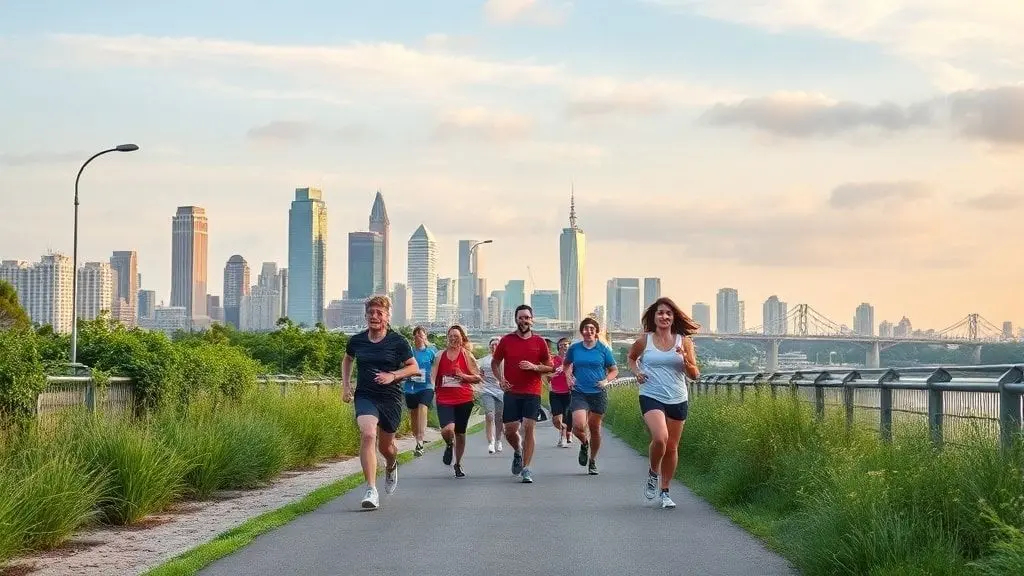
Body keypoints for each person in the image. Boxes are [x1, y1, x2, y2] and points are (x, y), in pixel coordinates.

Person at [342, 296, 422, 510]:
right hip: (366, 395)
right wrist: (346, 385)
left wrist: (393, 375)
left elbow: (414, 368)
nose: (374, 316)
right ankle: (371, 489)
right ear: (366, 315)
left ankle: (391, 464)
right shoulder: (357, 340)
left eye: (379, 313)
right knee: (368, 434)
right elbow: (348, 358)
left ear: (387, 317)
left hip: (391, 398)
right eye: (371, 313)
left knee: (387, 447)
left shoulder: (398, 342)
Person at [626, 296, 700, 509]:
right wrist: (637, 372)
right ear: (654, 316)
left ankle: (665, 491)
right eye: (660, 313)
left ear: (673, 317)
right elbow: (631, 358)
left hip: (677, 397)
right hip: (651, 394)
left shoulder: (683, 341)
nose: (664, 316)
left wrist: (685, 357)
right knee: (660, 438)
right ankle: (652, 472)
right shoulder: (644, 341)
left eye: (668, 313)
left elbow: (694, 374)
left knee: (672, 446)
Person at [491, 304, 553, 483]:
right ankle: (518, 451)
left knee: (528, 427)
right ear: (516, 319)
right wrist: (500, 379)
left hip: (532, 392)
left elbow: (549, 367)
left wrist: (534, 367)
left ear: (531, 320)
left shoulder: (539, 342)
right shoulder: (507, 340)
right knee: (509, 431)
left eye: (527, 317)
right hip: (511, 391)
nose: (524, 321)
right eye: (520, 318)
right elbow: (495, 363)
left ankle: (526, 468)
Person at [564, 318, 618, 475]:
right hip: (579, 392)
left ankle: (592, 461)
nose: (588, 331)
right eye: (585, 328)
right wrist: (569, 378)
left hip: (597, 393)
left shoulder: (603, 349)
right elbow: (566, 364)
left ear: (596, 331)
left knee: (594, 428)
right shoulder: (575, 349)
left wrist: (605, 380)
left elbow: (614, 370)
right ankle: (584, 443)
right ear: (582, 331)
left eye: (591, 328)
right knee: (578, 426)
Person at [430, 325, 482, 478]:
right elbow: (433, 376)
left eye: (456, 336)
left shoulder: (467, 355)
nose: (453, 339)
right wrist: (430, 389)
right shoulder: (440, 355)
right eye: (451, 336)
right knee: (447, 430)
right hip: (444, 398)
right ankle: (448, 444)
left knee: (460, 433)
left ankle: (457, 464)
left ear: (461, 339)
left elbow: (477, 377)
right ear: (447, 338)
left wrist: (464, 377)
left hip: (464, 398)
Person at [404, 326, 438, 457]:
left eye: (421, 335)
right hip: (411, 388)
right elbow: (403, 367)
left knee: (423, 408)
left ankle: (420, 440)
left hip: (427, 386)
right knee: (413, 414)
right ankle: (417, 438)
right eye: (416, 335)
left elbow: (437, 366)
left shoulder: (432, 352)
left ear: (425, 337)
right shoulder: (410, 352)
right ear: (413, 338)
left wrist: (435, 381)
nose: (419, 337)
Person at [477, 337, 505, 454]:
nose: (494, 347)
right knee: (490, 415)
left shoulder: (505, 360)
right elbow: (480, 375)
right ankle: (491, 442)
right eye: (492, 345)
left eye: (496, 345)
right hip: (487, 390)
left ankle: (498, 440)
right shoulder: (484, 361)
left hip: (501, 392)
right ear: (489, 347)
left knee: (499, 418)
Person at [548, 337, 573, 448]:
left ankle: (564, 436)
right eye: (562, 345)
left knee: (567, 416)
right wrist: (549, 378)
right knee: (556, 419)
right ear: (558, 347)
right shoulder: (553, 360)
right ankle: (564, 430)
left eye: (567, 345)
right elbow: (547, 373)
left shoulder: (573, 360)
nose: (564, 347)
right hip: (555, 392)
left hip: (569, 392)